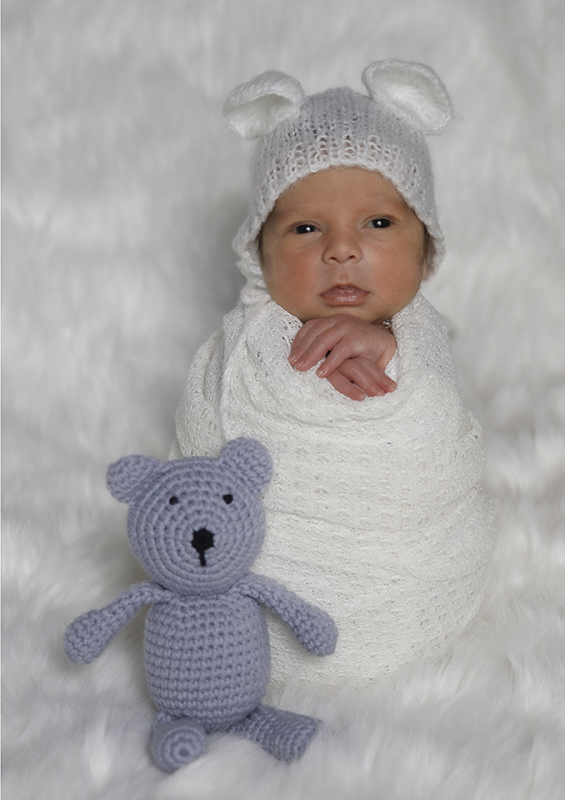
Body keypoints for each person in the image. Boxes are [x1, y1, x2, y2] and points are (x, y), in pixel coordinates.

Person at [172, 61, 495, 690]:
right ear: (259, 253)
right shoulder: (240, 346)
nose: (340, 249)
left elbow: (441, 452)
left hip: (409, 597)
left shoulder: (423, 342)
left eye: (378, 223)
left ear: (425, 248)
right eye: (305, 227)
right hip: (252, 613)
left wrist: (388, 350)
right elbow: (197, 447)